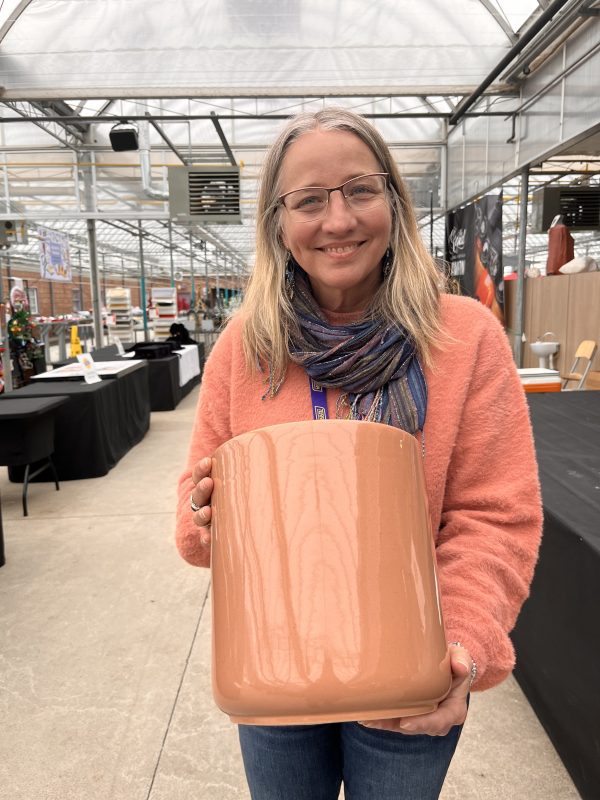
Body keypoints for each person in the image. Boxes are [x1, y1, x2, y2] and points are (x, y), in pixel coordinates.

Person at [175, 108, 542, 799]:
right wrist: (210, 515)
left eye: (360, 190)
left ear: (394, 202)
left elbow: (494, 516)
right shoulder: (246, 348)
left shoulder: (463, 337)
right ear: (277, 224)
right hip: (275, 666)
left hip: (410, 672)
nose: (338, 220)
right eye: (309, 200)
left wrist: (462, 648)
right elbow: (195, 529)